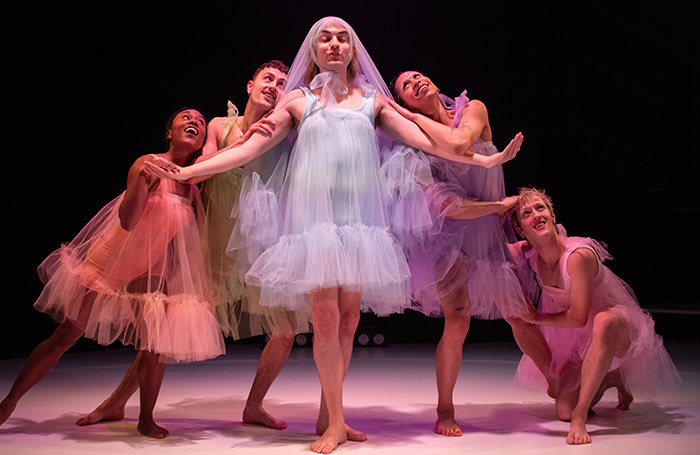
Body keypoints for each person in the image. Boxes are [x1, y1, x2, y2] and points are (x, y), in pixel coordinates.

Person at [145, 17, 521, 453]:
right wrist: (188, 170)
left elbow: (427, 141)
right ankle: (336, 424)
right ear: (314, 50)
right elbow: (247, 150)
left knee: (349, 321)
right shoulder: (299, 102)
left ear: (352, 51)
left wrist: (483, 163)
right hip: (314, 223)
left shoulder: (373, 102)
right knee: (324, 318)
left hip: (360, 224)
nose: (335, 44)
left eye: (342, 38)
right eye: (325, 38)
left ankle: (330, 415)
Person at [75, 61, 311, 431]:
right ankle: (117, 401)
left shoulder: (285, 132)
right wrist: (247, 141)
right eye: (268, 79)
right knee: (165, 329)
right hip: (213, 247)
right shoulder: (221, 124)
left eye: (283, 84)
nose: (274, 87)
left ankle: (254, 406)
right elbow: (204, 165)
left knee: (285, 329)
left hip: (260, 247)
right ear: (250, 85)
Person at [0, 108, 225, 438]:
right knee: (65, 336)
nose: (194, 122)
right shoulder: (147, 162)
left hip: (149, 266)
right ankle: (8, 404)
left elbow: (181, 241)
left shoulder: (191, 188)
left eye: (201, 122)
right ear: (169, 132)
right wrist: (143, 182)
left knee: (154, 344)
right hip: (112, 258)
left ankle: (146, 418)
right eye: (186, 118)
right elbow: (128, 222)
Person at [389, 70, 552, 436]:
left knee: (520, 314)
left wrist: (414, 117)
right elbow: (449, 207)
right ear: (403, 103)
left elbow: (461, 142)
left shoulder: (472, 109)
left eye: (417, 76)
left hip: (489, 234)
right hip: (450, 241)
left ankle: (556, 380)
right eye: (406, 87)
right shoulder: (415, 149)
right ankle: (444, 410)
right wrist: (495, 206)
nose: (416, 81)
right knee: (457, 322)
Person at [509, 187, 680, 445]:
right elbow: (493, 249)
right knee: (562, 409)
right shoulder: (530, 254)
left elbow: (578, 318)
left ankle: (580, 416)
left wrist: (537, 317)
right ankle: (610, 378)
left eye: (540, 208)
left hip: (618, 327)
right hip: (579, 339)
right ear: (521, 229)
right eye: (526, 213)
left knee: (603, 321)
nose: (536, 215)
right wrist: (498, 208)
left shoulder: (578, 256)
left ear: (553, 215)